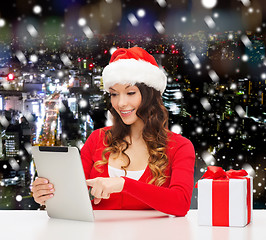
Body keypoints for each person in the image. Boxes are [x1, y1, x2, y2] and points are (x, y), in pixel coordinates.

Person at [32, 47, 195, 216]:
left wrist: (123, 184)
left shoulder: (180, 147)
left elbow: (180, 204)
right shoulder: (98, 139)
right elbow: (73, 193)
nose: (121, 103)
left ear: (151, 95)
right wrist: (47, 193)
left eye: (130, 93)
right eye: (114, 94)